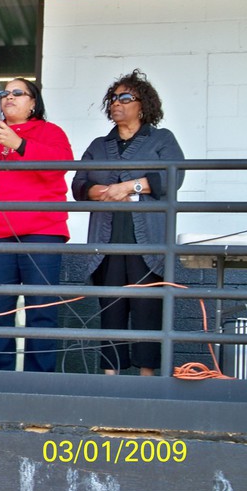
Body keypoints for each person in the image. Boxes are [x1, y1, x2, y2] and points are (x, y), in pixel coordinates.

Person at [0, 78, 73, 372]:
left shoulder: (50, 131)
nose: (9, 97)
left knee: (41, 310)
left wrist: (19, 144)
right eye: (5, 93)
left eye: (18, 93)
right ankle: (0, 378)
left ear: (33, 103)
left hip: (42, 231)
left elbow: (61, 164)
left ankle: (38, 380)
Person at [71, 69, 185, 376]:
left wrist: (129, 186)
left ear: (143, 105)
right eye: (113, 98)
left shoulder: (160, 139)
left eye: (124, 98)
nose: (116, 104)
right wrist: (101, 191)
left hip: (146, 243)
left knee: (147, 311)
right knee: (111, 310)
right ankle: (111, 380)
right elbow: (79, 184)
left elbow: (173, 178)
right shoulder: (99, 145)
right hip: (107, 241)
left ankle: (147, 381)